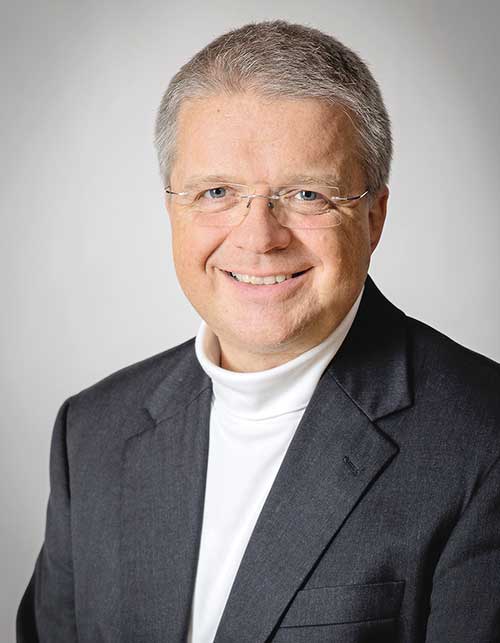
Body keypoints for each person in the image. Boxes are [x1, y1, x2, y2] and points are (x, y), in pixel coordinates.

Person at [17, 20, 500, 643]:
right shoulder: (92, 432)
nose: (259, 237)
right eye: (216, 191)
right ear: (172, 209)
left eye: (307, 194)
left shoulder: (484, 441)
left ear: (373, 217)